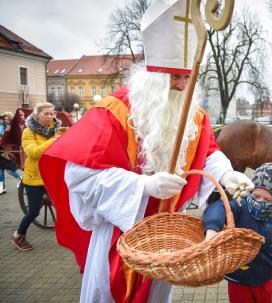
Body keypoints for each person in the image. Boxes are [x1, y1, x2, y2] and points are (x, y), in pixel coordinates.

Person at [38, 1, 253, 302]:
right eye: (173, 77)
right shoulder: (114, 111)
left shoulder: (194, 113)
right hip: (120, 230)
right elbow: (79, 175)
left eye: (186, 77)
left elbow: (207, 152)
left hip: (168, 239)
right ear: (153, 75)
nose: (181, 86)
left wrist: (226, 174)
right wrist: (144, 186)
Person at [203, 163, 272, 303]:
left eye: (267, 199)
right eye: (256, 196)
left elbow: (262, 236)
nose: (260, 202)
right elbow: (220, 207)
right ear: (250, 191)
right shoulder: (240, 203)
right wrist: (212, 229)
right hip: (238, 276)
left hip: (264, 275)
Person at [10, 102, 60, 251]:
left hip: (52, 175)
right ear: (37, 115)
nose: (50, 116)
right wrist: (53, 141)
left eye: (52, 113)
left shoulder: (56, 130)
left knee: (65, 203)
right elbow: (33, 153)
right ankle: (18, 235)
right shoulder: (28, 132)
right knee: (33, 211)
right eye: (46, 114)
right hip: (35, 178)